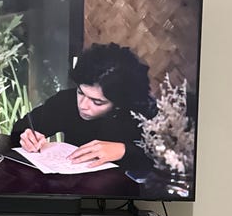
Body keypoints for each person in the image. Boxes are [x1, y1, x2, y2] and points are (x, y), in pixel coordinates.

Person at [11, 42, 156, 171]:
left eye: (97, 102)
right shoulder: (66, 101)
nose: (83, 105)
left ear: (119, 103)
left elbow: (159, 159)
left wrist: (124, 150)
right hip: (72, 184)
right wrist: (26, 136)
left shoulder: (141, 113)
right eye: (80, 92)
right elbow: (22, 128)